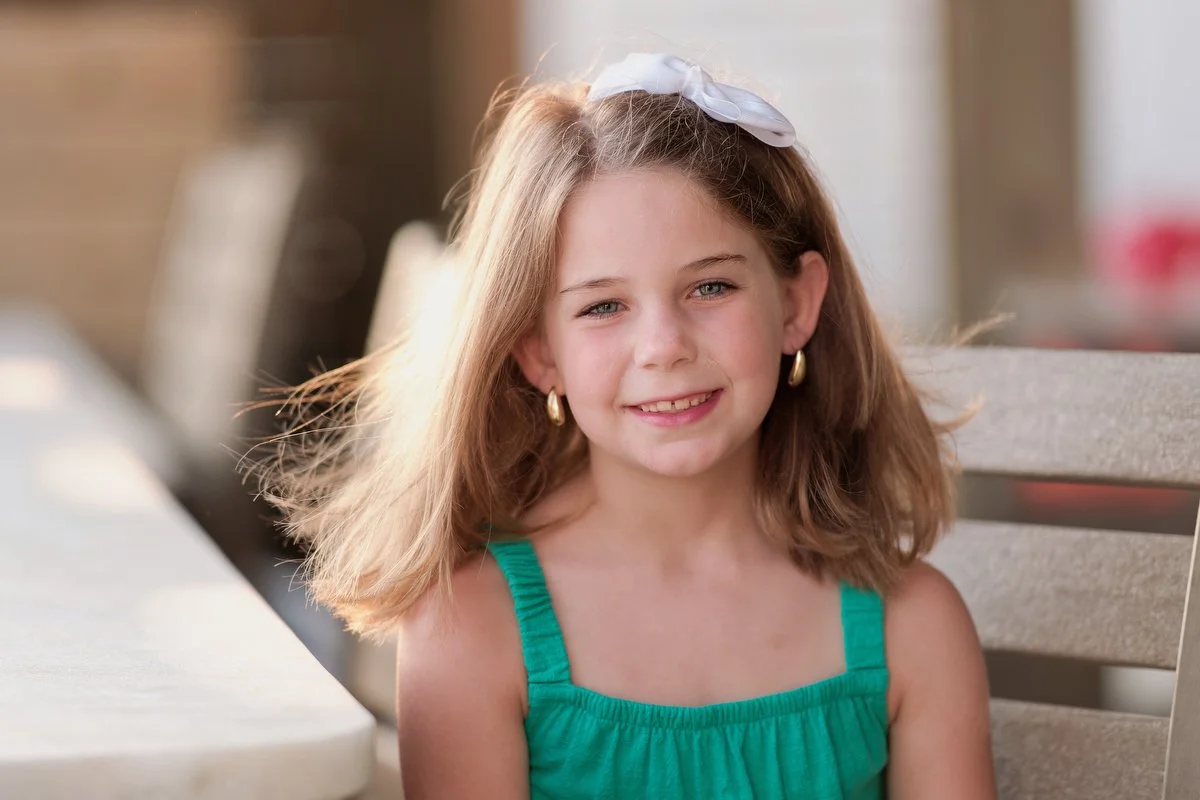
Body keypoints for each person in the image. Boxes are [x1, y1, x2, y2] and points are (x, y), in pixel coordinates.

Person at [260, 52, 996, 798]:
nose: (664, 347)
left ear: (797, 305)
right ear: (539, 352)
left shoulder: (914, 628)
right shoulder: (474, 627)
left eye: (710, 286)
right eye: (603, 306)